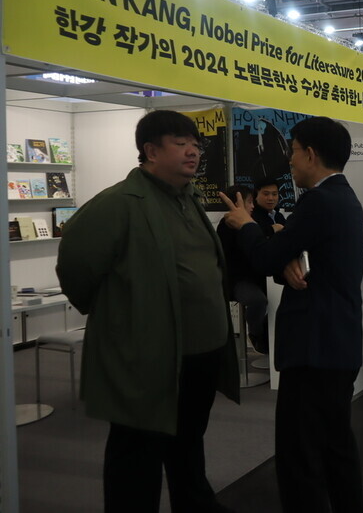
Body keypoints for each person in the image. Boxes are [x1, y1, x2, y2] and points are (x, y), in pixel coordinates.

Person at [56, 110, 239, 513]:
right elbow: (75, 268)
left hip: (201, 355)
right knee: (136, 452)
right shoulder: (118, 204)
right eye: (181, 143)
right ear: (150, 151)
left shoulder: (189, 199)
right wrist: (117, 315)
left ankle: (194, 503)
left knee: (188, 443)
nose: (193, 151)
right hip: (148, 356)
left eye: (196, 144)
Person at [220, 116, 363, 513]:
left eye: (294, 151)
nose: (290, 162)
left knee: (299, 454)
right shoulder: (344, 196)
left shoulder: (319, 200)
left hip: (314, 347)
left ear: (311, 154)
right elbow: (310, 259)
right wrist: (287, 261)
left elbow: (266, 255)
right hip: (337, 340)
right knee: (336, 445)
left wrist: (246, 224)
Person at [217, 184, 271, 354]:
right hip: (237, 281)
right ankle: (256, 335)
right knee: (258, 301)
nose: (252, 206)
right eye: (249, 202)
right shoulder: (227, 225)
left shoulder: (251, 223)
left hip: (256, 278)